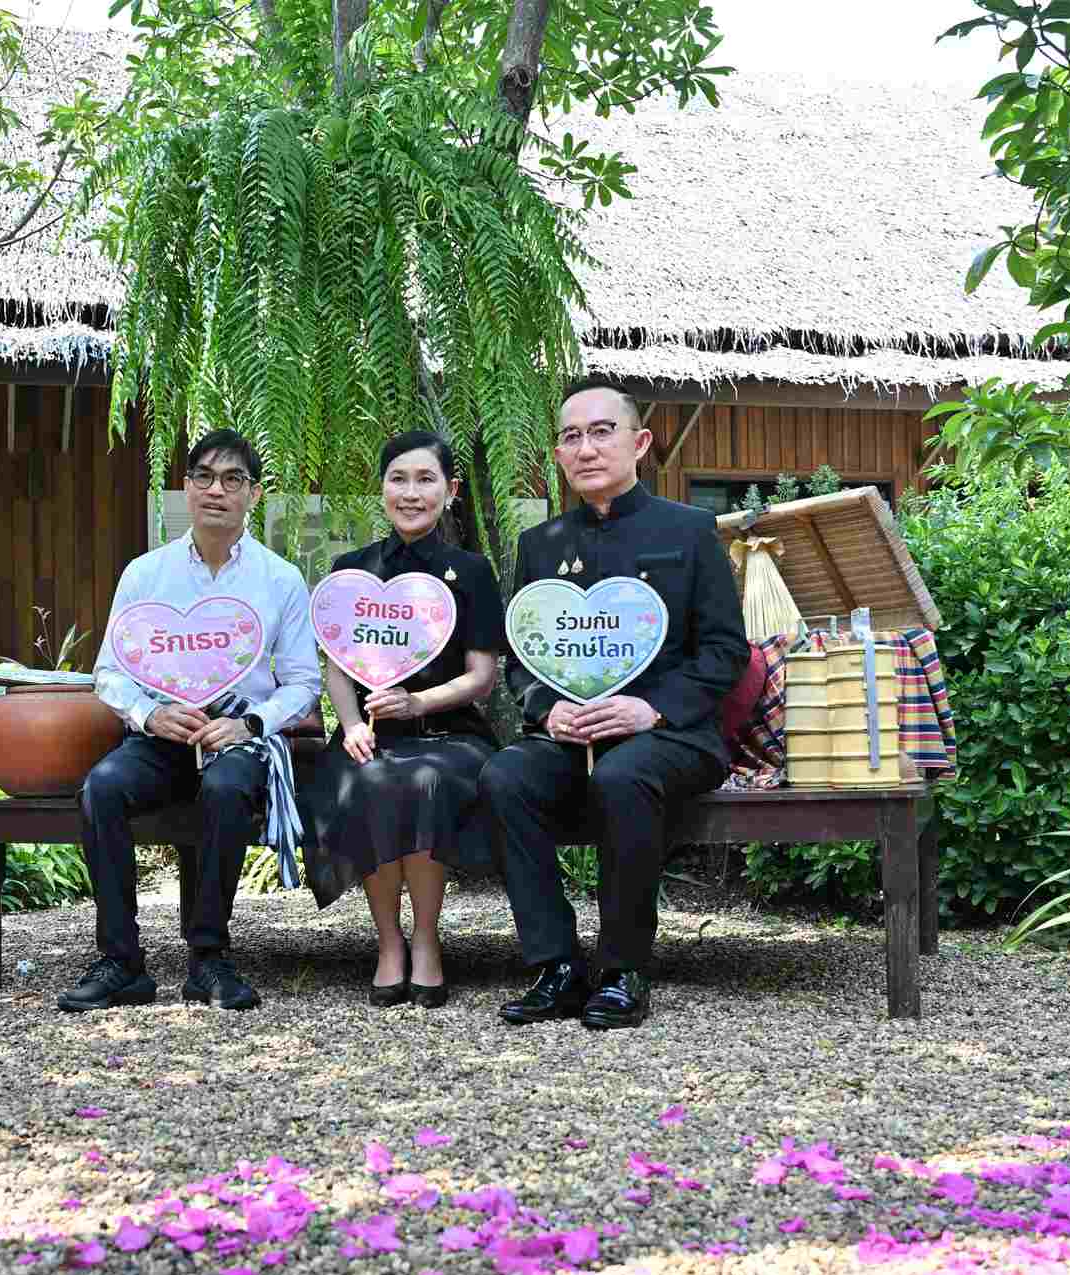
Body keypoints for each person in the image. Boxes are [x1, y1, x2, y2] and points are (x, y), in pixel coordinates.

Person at [480, 379, 748, 1030]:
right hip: (574, 735)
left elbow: (725, 651)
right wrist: (547, 710)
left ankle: (624, 968)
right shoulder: (540, 545)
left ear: (640, 442)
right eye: (572, 436)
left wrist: (650, 710)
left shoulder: (689, 530)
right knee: (505, 774)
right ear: (558, 455)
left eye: (603, 431)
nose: (587, 448)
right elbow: (523, 657)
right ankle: (557, 965)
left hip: (672, 735)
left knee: (625, 776)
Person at [62, 430, 323, 1014]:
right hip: (164, 735)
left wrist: (250, 725)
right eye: (204, 476)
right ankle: (121, 963)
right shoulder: (145, 574)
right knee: (102, 787)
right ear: (185, 487)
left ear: (253, 494)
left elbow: (303, 683)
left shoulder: (280, 579)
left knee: (228, 788)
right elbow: (109, 673)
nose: (216, 490)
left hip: (236, 738)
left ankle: (209, 958)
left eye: (232, 480)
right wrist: (151, 714)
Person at [300, 431, 503, 1008]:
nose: (411, 493)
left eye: (426, 480)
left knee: (426, 782)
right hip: (369, 736)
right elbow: (338, 667)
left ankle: (427, 939)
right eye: (398, 479)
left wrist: (418, 703)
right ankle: (389, 942)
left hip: (450, 735)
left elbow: (482, 677)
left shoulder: (471, 571)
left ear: (450, 490)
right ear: (383, 487)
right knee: (372, 781)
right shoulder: (352, 571)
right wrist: (351, 724)